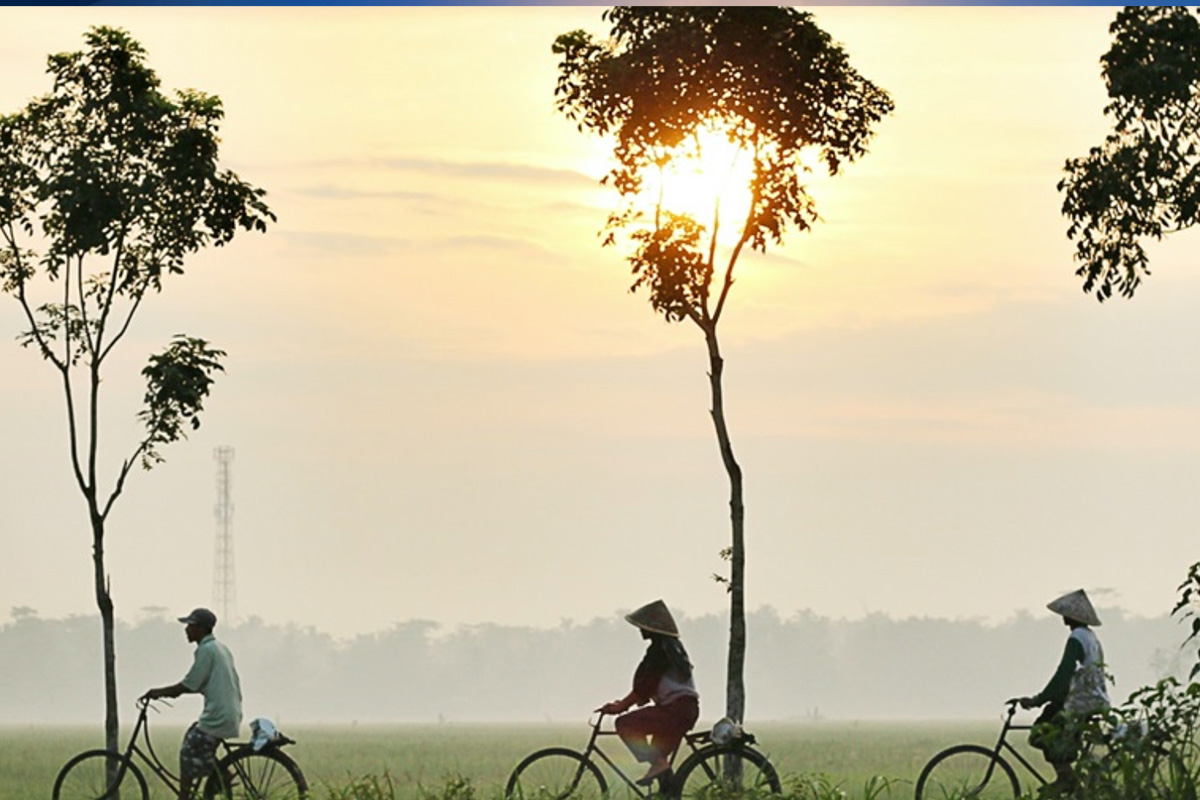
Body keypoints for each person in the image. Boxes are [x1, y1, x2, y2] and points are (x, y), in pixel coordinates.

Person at [142, 607, 243, 800]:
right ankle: (218, 775)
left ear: (202, 629)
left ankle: (187, 795)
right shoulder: (220, 648)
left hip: (218, 716)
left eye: (191, 626)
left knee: (188, 749)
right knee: (194, 736)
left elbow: (190, 684)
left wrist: (159, 692)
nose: (186, 630)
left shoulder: (206, 650)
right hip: (228, 712)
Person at [1018, 589, 1111, 797]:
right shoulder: (1090, 637)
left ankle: (1065, 779)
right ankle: (1069, 779)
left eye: (1065, 614)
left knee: (1042, 730)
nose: (1063, 618)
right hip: (1094, 698)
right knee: (1054, 720)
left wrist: (1038, 699)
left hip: (1082, 701)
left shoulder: (1077, 638)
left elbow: (1064, 674)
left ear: (1071, 616)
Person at [598, 599, 700, 786]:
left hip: (675, 710)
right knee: (660, 764)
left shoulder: (660, 651)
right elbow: (645, 688)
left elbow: (645, 687)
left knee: (625, 724)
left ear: (653, 628)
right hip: (684, 710)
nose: (641, 630)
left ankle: (660, 764)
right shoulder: (672, 648)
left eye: (643, 626)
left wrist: (620, 707)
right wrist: (623, 703)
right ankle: (667, 790)